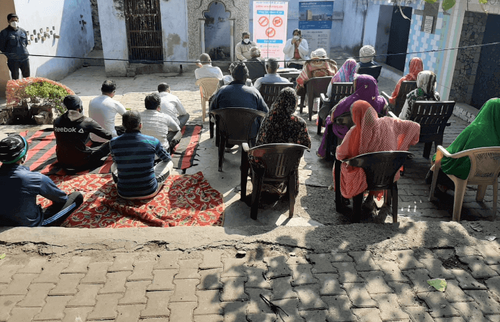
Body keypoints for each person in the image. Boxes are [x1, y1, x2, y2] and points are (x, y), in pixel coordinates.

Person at [335, 100, 420, 221]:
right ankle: (371, 198)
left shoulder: (354, 133)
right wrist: (402, 145)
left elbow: (341, 155)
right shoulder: (388, 122)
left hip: (364, 177)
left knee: (340, 164)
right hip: (388, 174)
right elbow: (415, 126)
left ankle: (343, 201)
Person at [0, 134, 84, 227]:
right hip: (29, 225)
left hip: (2, 222)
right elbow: (61, 199)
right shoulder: (35, 178)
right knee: (77, 196)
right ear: (24, 156)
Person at [250, 88, 311, 202]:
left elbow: (260, 142)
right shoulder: (300, 123)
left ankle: (262, 185)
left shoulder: (269, 120)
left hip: (265, 167)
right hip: (288, 168)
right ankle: (289, 190)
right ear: (294, 103)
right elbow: (306, 144)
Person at [426, 98, 500, 191]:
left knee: (439, 156)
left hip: (465, 171)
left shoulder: (474, 129)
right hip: (489, 173)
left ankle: (441, 182)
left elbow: (455, 150)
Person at [317, 74, 387, 158]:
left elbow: (333, 114)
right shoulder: (382, 102)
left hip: (348, 130)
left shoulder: (349, 101)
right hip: (372, 132)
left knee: (330, 120)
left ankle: (328, 152)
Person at [109, 111, 173, 199]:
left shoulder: (113, 142)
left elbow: (115, 161)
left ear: (123, 125)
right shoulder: (152, 141)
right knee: (169, 163)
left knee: (113, 165)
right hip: (149, 190)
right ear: (140, 125)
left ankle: (120, 182)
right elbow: (166, 158)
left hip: (124, 192)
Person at [210, 62, 269, 138]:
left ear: (232, 75)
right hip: (250, 132)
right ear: (246, 77)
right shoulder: (254, 92)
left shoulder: (222, 91)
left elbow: (212, 110)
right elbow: (266, 112)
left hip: (225, 131)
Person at [53, 95, 112, 171]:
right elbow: (108, 135)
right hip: (83, 162)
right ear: (80, 107)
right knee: (110, 143)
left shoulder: (57, 121)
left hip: (62, 162)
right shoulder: (87, 122)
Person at [0, 13, 30, 79]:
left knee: (27, 78)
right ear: (8, 21)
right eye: (12, 20)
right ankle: (18, 90)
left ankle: (26, 89)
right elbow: (2, 47)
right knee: (15, 79)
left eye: (16, 20)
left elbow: (25, 43)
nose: (14, 22)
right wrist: (10, 55)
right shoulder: (4, 32)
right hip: (13, 60)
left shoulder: (23, 31)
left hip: (24, 59)